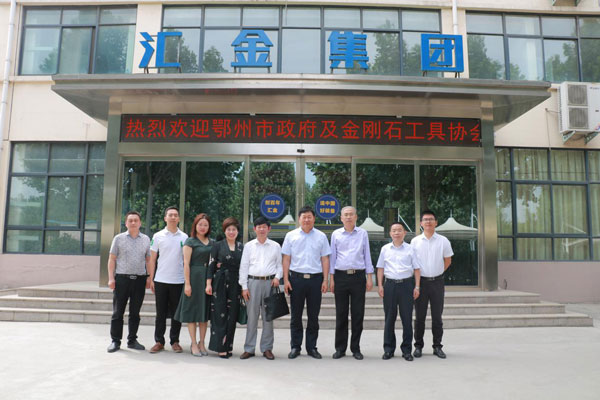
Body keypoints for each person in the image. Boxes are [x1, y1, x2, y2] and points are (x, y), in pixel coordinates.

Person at [282, 205, 331, 359]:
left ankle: (312, 347)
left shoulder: (321, 236)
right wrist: (286, 280)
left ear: (314, 219)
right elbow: (286, 259)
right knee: (295, 315)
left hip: (316, 280)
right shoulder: (291, 236)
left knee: (313, 316)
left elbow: (325, 259)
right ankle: (295, 347)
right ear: (299, 219)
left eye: (309, 217)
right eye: (304, 217)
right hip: (296, 279)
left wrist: (325, 280)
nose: (307, 220)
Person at [329, 206, 373, 360]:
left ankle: (356, 348)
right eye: (345, 215)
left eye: (351, 214)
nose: (348, 217)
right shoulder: (336, 234)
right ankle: (340, 348)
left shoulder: (363, 233)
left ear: (356, 217)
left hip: (358, 277)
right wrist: (331, 279)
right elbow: (333, 258)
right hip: (340, 277)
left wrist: (369, 277)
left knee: (358, 314)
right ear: (341, 218)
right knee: (341, 313)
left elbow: (367, 255)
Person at [238, 217, 283, 360]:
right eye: (259, 227)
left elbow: (280, 265)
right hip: (253, 283)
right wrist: (244, 287)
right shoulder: (249, 246)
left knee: (268, 317)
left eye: (264, 227)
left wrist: (277, 277)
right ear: (254, 229)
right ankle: (249, 348)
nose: (262, 229)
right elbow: (244, 267)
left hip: (270, 283)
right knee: (252, 317)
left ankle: (267, 348)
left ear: (269, 229)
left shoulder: (275, 246)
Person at [106, 211, 151, 353]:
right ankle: (115, 341)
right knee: (117, 312)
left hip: (139, 280)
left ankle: (132, 340)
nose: (133, 223)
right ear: (126, 223)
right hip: (122, 280)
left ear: (140, 223)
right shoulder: (118, 238)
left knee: (135, 313)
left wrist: (149, 277)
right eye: (130, 220)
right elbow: (112, 259)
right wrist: (111, 278)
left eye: (136, 220)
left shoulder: (146, 239)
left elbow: (148, 260)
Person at [411, 210, 453, 359]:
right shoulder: (415, 241)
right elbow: (412, 263)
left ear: (436, 222)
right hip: (420, 283)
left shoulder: (443, 241)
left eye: (431, 219)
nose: (428, 222)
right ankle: (418, 346)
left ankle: (437, 346)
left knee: (437, 316)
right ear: (421, 223)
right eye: (425, 219)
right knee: (419, 317)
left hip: (437, 282)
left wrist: (437, 271)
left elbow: (448, 260)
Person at [376, 221, 421, 361]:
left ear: (404, 233)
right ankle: (388, 349)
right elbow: (380, 268)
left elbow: (417, 269)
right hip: (390, 285)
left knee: (407, 319)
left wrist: (417, 287)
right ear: (390, 233)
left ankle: (406, 350)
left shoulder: (410, 249)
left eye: (399, 230)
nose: (396, 233)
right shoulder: (385, 249)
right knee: (389, 318)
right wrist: (380, 285)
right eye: (394, 230)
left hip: (406, 285)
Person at [148, 206, 188, 354]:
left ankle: (175, 341)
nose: (173, 217)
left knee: (177, 314)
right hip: (161, 280)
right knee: (161, 313)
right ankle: (159, 341)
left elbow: (186, 260)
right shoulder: (158, 236)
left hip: (178, 280)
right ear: (165, 218)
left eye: (175, 215)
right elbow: (152, 259)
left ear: (179, 218)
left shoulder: (184, 237)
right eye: (170, 215)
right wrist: (151, 279)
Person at [174, 213, 214, 357]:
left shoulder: (212, 242)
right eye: (200, 224)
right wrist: (187, 284)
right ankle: (193, 343)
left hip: (207, 279)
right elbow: (186, 263)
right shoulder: (190, 241)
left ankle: (202, 342)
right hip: (194, 278)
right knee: (192, 312)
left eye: (205, 225)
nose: (203, 227)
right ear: (195, 226)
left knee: (203, 313)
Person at [206, 217, 244, 358]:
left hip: (236, 283)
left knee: (232, 315)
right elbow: (211, 265)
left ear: (237, 231)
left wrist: (244, 286)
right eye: (229, 229)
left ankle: (228, 346)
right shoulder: (217, 245)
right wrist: (208, 284)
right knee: (219, 314)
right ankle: (220, 347)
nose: (231, 232)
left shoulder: (242, 247)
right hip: (220, 282)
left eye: (234, 229)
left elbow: (244, 267)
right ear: (224, 231)